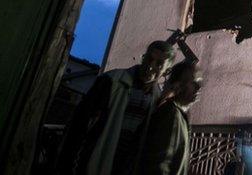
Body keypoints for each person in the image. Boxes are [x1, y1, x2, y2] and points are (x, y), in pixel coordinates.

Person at [57, 41, 174, 175]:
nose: (150, 66)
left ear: (167, 71)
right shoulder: (111, 81)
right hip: (91, 163)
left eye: (159, 64)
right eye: (149, 59)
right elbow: (79, 123)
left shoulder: (156, 100)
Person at [134, 60, 201, 175]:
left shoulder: (178, 116)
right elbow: (159, 164)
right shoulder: (171, 114)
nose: (198, 88)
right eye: (194, 83)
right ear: (179, 85)